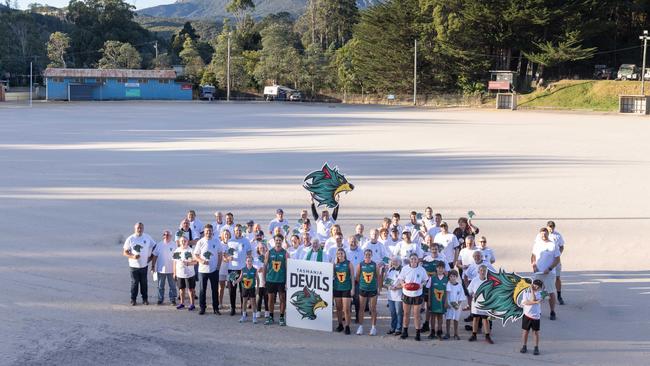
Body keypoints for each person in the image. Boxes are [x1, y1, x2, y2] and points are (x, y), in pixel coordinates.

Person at [122, 222, 155, 306]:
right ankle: (133, 299)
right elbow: (125, 252)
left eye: (141, 228)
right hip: (133, 266)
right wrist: (133, 256)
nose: (140, 229)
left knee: (144, 283)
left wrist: (150, 257)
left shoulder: (147, 237)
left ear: (143, 228)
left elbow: (155, 246)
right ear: (135, 228)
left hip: (144, 265)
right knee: (135, 282)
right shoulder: (130, 238)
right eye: (138, 228)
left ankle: (145, 299)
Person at [193, 224, 223, 315]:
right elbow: (195, 255)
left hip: (214, 270)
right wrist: (201, 261)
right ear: (204, 232)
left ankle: (215, 308)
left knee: (215, 290)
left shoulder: (217, 241)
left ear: (212, 231)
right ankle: (202, 308)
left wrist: (218, 267)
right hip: (202, 270)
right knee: (202, 290)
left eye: (210, 231)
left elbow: (220, 254)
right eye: (206, 231)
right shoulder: (200, 242)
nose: (208, 233)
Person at [398, 253, 428, 341]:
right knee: (406, 314)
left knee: (416, 315)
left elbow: (425, 280)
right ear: (409, 260)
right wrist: (403, 284)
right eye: (412, 259)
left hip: (417, 294)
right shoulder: (405, 268)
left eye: (415, 259)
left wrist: (421, 285)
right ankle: (405, 331)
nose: (413, 261)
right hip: (407, 293)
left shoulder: (421, 269)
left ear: (418, 260)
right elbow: (401, 278)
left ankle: (418, 333)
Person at [531, 227, 560, 320]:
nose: (543, 236)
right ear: (540, 235)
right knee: (536, 291)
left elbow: (557, 259)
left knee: (551, 292)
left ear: (548, 234)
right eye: (542, 234)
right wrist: (534, 266)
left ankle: (552, 311)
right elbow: (533, 257)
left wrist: (550, 268)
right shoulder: (537, 244)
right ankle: (537, 310)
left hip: (549, 273)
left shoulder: (553, 245)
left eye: (545, 234)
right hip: (538, 272)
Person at [225, 225, 252, 316]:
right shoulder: (230, 241)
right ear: (234, 231)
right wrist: (229, 257)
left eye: (240, 230)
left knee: (243, 290)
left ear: (242, 231)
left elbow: (249, 253)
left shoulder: (246, 241)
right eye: (236, 230)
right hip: (232, 269)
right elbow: (225, 255)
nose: (238, 232)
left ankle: (243, 309)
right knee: (232, 290)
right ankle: (233, 308)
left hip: (243, 269)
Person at [264, 234, 289, 326]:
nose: (278, 242)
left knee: (282, 299)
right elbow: (265, 266)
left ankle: (282, 317)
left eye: (280, 240)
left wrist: (287, 281)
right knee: (270, 299)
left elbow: (287, 268)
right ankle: (271, 316)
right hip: (271, 279)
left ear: (282, 241)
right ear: (274, 241)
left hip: (281, 280)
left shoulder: (285, 253)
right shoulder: (269, 252)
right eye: (276, 240)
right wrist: (263, 279)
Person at [356, 249, 380, 336]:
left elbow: (378, 277)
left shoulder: (375, 265)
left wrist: (378, 288)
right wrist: (363, 284)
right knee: (361, 308)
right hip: (363, 289)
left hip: (373, 289)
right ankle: (360, 327)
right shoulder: (360, 264)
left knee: (373, 309)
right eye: (366, 254)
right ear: (364, 255)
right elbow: (358, 277)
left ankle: (373, 327)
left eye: (369, 254)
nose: (367, 256)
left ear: (371, 255)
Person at [467, 265, 493, 344]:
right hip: (476, 304)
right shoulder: (474, 280)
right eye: (481, 270)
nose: (482, 272)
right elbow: (469, 291)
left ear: (486, 272)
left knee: (485, 320)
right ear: (478, 271)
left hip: (485, 304)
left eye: (484, 270)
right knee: (476, 319)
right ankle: (474, 335)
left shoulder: (489, 281)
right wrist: (472, 295)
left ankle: (487, 336)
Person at [151, 230, 178, 305]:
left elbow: (177, 258)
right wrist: (153, 266)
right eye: (165, 234)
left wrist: (177, 269)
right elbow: (155, 256)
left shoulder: (174, 245)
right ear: (163, 236)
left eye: (168, 235)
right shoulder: (159, 245)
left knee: (172, 286)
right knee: (160, 286)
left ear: (171, 236)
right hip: (161, 270)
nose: (166, 236)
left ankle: (172, 299)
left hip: (172, 270)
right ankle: (160, 299)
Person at [333, 248, 355, 335]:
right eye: (338, 253)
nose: (340, 255)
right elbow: (332, 275)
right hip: (337, 288)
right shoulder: (335, 264)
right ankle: (340, 324)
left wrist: (353, 288)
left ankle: (347, 326)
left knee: (346, 309)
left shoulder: (349, 263)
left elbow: (352, 277)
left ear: (344, 254)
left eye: (341, 253)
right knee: (338, 308)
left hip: (346, 288)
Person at [173, 236, 197, 311]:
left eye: (185, 241)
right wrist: (174, 273)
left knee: (190, 289)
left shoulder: (191, 250)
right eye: (182, 241)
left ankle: (192, 304)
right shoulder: (177, 250)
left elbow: (196, 262)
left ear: (187, 242)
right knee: (181, 289)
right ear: (179, 242)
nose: (183, 242)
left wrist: (188, 264)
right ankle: (182, 303)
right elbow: (174, 262)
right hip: (180, 274)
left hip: (189, 274)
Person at [521, 279, 544, 355]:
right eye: (535, 285)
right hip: (527, 315)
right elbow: (525, 302)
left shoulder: (541, 293)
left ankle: (536, 347)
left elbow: (533, 299)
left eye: (538, 286)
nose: (536, 287)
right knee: (525, 332)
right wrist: (535, 302)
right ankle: (524, 346)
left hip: (536, 316)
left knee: (535, 332)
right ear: (532, 284)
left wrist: (533, 299)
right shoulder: (526, 292)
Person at [427, 262, 448, 340]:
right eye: (439, 268)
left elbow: (447, 292)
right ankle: (432, 331)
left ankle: (439, 331)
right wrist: (429, 301)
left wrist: (446, 301)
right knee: (433, 317)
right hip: (433, 301)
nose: (440, 269)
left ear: (444, 269)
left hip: (442, 301)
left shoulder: (446, 279)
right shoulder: (432, 278)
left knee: (440, 317)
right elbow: (429, 290)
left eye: (442, 268)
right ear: (436, 268)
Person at [547, 221, 566, 305]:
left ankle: (559, 296)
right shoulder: (543, 234)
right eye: (549, 227)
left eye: (552, 227)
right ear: (547, 226)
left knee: (557, 277)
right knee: (544, 278)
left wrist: (558, 255)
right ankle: (543, 295)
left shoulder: (558, 235)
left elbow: (562, 246)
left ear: (554, 227)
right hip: (546, 260)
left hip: (556, 260)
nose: (551, 229)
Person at [235, 256, 258, 323]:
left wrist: (257, 288)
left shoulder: (255, 270)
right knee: (244, 302)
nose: (249, 262)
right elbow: (240, 278)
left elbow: (258, 280)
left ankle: (254, 317)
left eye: (250, 261)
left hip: (252, 288)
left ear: (252, 262)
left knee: (253, 303)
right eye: (248, 261)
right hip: (244, 288)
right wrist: (235, 282)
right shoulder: (243, 269)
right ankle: (243, 316)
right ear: (246, 262)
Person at [445, 269, 465, 340]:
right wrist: (447, 303)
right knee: (448, 319)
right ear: (449, 277)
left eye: (454, 276)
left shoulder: (459, 286)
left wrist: (458, 305)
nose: (452, 278)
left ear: (456, 277)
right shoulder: (448, 284)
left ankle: (456, 334)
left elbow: (461, 296)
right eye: (451, 276)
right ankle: (447, 333)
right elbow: (447, 294)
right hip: (449, 305)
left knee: (456, 319)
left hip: (457, 306)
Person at [385, 257, 403, 335]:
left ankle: (398, 329)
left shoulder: (402, 270)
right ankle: (393, 327)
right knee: (392, 312)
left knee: (399, 312)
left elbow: (405, 283)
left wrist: (397, 287)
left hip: (399, 295)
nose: (394, 262)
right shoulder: (390, 270)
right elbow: (387, 282)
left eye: (396, 261)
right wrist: (389, 286)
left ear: (400, 262)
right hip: (390, 295)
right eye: (393, 261)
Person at [253, 242, 269, 322]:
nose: (262, 249)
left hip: (266, 280)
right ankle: (258, 310)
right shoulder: (255, 259)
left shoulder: (268, 258)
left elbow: (271, 268)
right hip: (258, 281)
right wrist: (257, 270)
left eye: (263, 248)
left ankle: (267, 310)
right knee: (258, 297)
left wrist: (265, 269)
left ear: (266, 248)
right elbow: (253, 269)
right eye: (260, 248)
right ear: (258, 250)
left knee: (266, 296)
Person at [217, 229, 232, 310]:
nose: (226, 235)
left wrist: (228, 257)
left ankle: (231, 303)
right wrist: (225, 257)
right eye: (225, 234)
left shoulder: (232, 244)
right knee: (221, 287)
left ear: (230, 235)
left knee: (230, 287)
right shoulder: (220, 244)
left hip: (230, 269)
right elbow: (220, 256)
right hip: (222, 269)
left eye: (227, 234)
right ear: (222, 236)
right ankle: (220, 303)